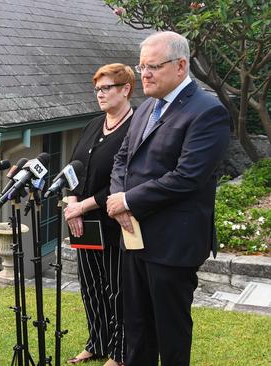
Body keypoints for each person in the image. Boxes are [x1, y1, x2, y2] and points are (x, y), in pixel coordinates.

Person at [107, 31, 230, 366]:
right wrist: (119, 196)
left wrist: (128, 201)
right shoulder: (147, 106)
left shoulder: (208, 112)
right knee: (136, 326)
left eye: (152, 67)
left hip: (173, 245)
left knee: (171, 334)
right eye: (141, 65)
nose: (143, 74)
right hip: (134, 237)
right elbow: (122, 158)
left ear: (180, 66)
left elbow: (187, 177)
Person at [63, 64, 135, 366]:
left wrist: (84, 205)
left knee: (117, 289)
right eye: (97, 89)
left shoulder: (136, 127)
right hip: (82, 223)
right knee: (90, 285)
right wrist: (71, 203)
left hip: (114, 223)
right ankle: (97, 342)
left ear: (125, 89)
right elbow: (72, 166)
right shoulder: (93, 124)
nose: (100, 94)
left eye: (106, 88)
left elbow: (127, 180)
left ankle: (120, 353)